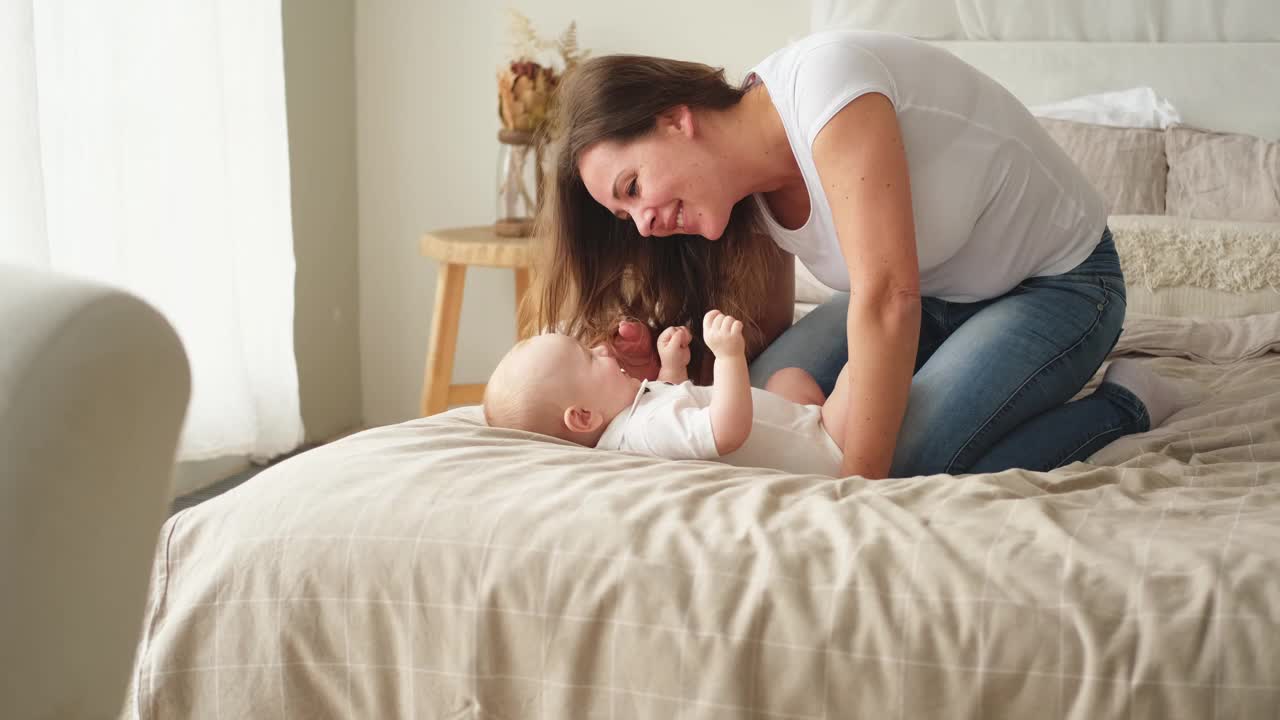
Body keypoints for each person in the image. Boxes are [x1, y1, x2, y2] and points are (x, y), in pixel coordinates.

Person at [527, 29, 1195, 480]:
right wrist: (659, 383)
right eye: (625, 215)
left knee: (896, 457)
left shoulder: (826, 85)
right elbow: (764, 349)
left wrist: (852, 492)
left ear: (674, 118)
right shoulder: (741, 197)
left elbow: (887, 299)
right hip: (933, 296)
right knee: (767, 423)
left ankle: (1124, 406)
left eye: (634, 187)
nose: (643, 226)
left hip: (1059, 285)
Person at [484, 310, 855, 477]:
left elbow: (673, 407)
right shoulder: (645, 429)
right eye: (588, 358)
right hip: (821, 449)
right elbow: (726, 432)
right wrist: (728, 356)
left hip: (794, 427)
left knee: (787, 379)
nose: (601, 349)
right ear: (583, 416)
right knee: (862, 371)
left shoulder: (633, 423)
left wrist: (671, 368)